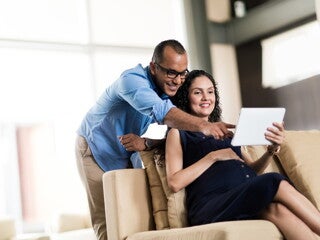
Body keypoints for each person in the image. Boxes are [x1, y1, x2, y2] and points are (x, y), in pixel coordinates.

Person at [75, 40, 235, 240]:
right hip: (95, 148)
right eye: (171, 72)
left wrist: (147, 143)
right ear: (153, 67)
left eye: (183, 73)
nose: (178, 80)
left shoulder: (170, 88)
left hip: (128, 150)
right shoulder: (131, 81)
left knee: (133, 220)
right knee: (108, 222)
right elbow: (165, 114)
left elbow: (176, 133)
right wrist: (205, 126)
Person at [165, 69, 320, 240]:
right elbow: (174, 182)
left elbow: (253, 170)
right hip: (212, 205)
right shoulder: (179, 133)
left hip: (241, 195)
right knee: (274, 179)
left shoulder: (227, 134)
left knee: (276, 210)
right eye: (197, 92)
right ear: (186, 97)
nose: (205, 98)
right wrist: (213, 157)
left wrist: (270, 151)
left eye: (210, 92)